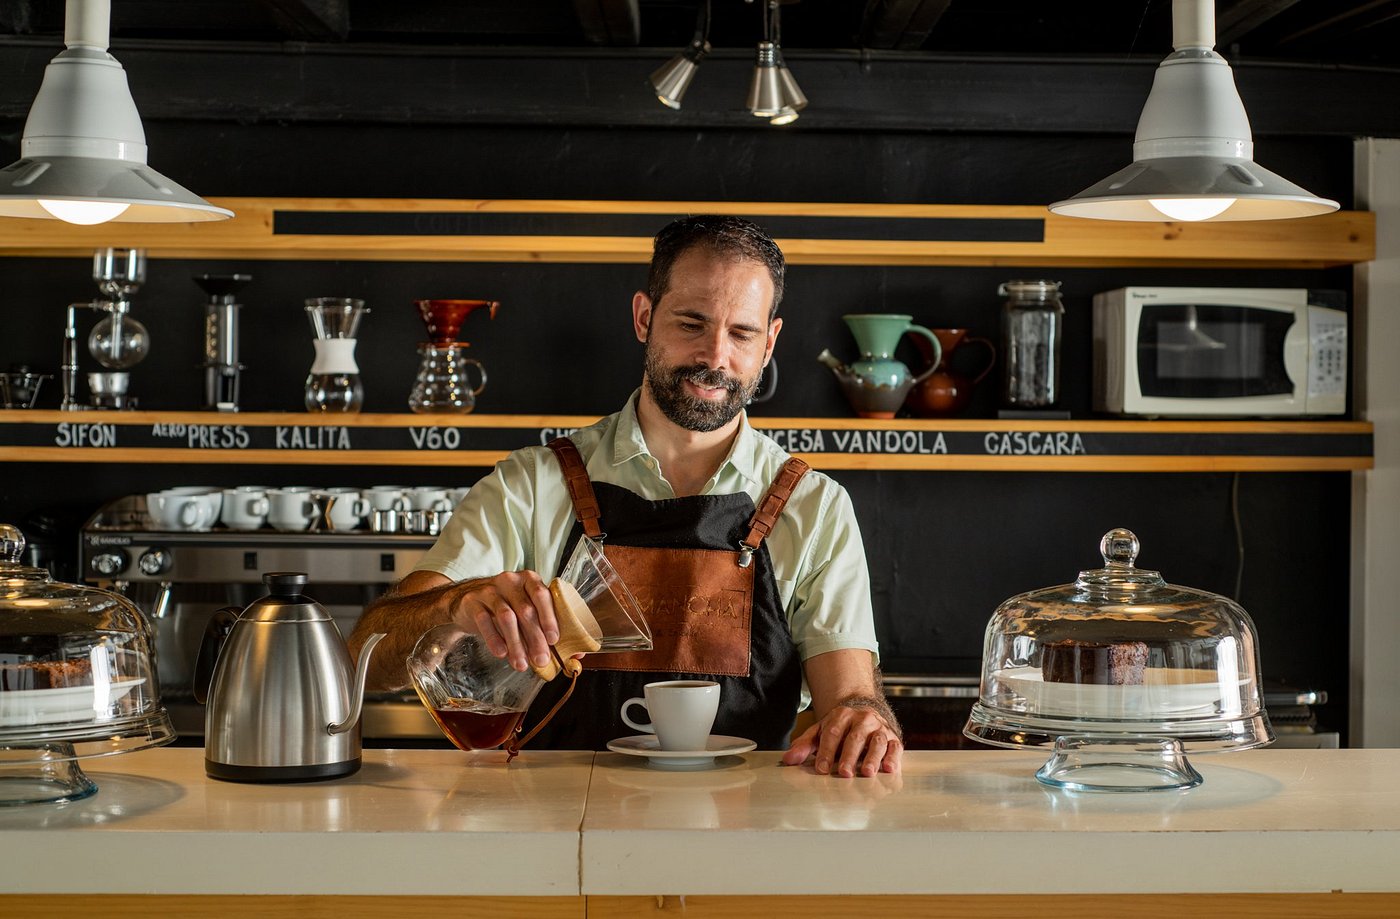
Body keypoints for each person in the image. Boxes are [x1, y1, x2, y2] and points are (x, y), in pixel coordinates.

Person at [350, 215, 902, 777]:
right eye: (691, 324)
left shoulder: (813, 505)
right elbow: (368, 659)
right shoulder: (531, 486)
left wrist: (862, 720)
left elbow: (850, 695)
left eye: (741, 333)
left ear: (770, 342)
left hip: (745, 836)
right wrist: (454, 604)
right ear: (644, 317)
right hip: (549, 832)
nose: (715, 357)